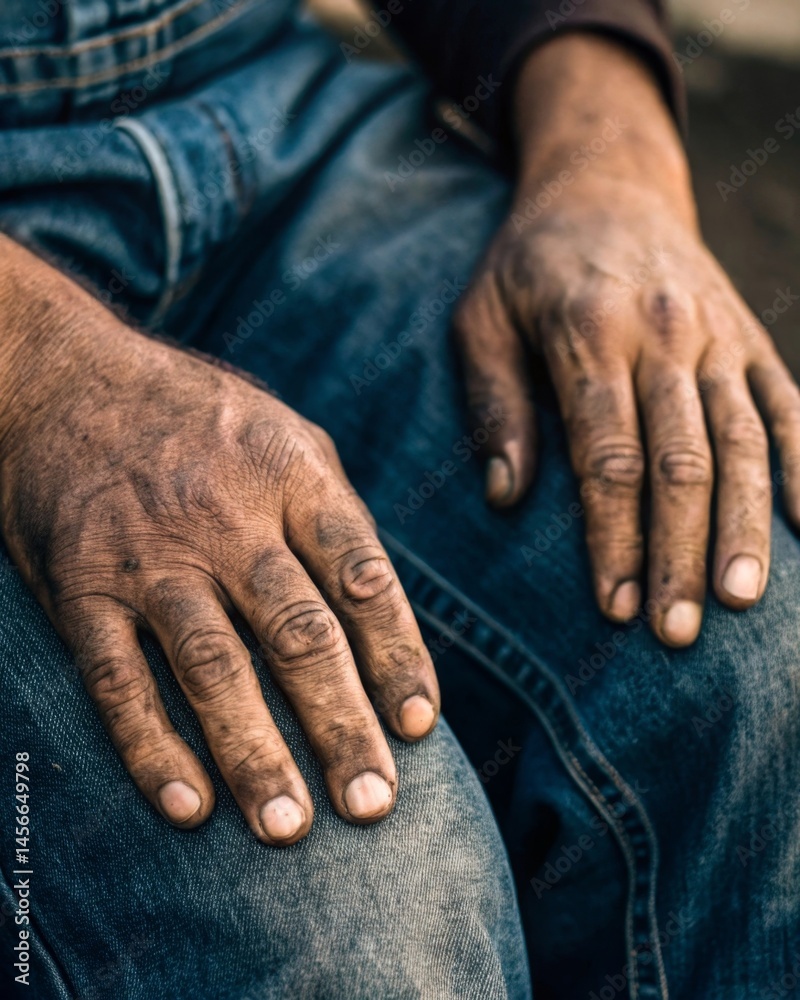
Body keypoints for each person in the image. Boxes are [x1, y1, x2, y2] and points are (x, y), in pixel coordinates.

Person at [0, 0, 798, 997]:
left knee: (766, 667)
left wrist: (612, 157)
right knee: (363, 925)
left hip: (250, 97)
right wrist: (34, 369)